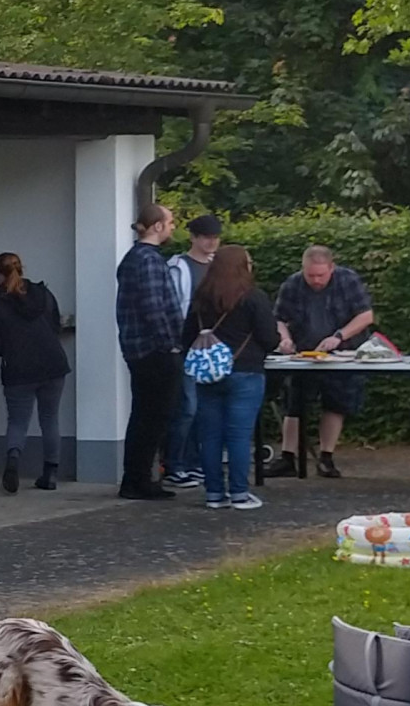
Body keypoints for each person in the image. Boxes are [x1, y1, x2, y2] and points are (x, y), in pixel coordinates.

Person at [184, 244, 284, 510]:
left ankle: (214, 494)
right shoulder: (253, 297)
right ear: (242, 267)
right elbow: (269, 338)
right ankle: (239, 493)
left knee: (210, 436)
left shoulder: (202, 298)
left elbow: (187, 336)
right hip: (245, 371)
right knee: (239, 435)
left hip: (208, 375)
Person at [269, 246, 376, 478]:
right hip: (304, 355)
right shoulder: (292, 284)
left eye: (321, 275)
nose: (316, 280)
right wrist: (284, 339)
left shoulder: (348, 280)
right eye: (310, 275)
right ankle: (288, 457)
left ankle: (326, 457)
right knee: (294, 404)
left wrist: (339, 336)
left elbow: (365, 316)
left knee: (335, 404)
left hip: (341, 355)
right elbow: (279, 319)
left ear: (331, 268)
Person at [0, 252, 69, 493]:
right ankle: (50, 474)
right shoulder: (43, 294)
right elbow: (55, 325)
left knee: (18, 421)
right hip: (53, 364)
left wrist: (12, 352)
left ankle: (13, 460)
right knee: (50, 418)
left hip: (18, 370)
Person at [115, 202, 185, 501]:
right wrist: (170, 343)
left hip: (139, 348)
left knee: (144, 415)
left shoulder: (135, 258)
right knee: (154, 417)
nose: (173, 227)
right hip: (154, 351)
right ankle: (139, 480)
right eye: (170, 222)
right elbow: (154, 306)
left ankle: (136, 478)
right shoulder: (148, 260)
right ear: (157, 226)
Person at [162, 215, 224, 489]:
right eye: (206, 237)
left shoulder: (216, 267)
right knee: (187, 407)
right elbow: (173, 307)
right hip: (185, 346)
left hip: (210, 349)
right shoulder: (179, 267)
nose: (211, 242)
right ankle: (174, 464)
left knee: (202, 409)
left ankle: (193, 462)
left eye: (215, 237)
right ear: (194, 238)